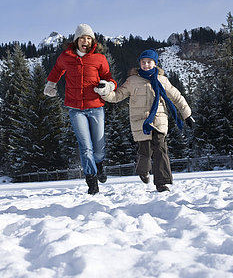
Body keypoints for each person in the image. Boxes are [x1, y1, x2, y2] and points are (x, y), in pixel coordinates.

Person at [99, 49, 194, 192]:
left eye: (149, 62)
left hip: (159, 120)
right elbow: (117, 96)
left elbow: (177, 97)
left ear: (155, 63)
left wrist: (187, 115)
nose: (146, 65)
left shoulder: (162, 80)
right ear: (139, 64)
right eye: (143, 62)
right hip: (140, 121)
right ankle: (143, 170)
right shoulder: (132, 81)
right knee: (145, 151)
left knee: (161, 149)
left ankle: (162, 182)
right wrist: (104, 92)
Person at [44, 23, 117, 195]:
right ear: (76, 40)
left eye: (89, 38)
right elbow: (56, 70)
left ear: (93, 41)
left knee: (99, 147)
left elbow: (110, 79)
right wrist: (50, 85)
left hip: (96, 107)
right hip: (75, 109)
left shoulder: (99, 59)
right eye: (82, 38)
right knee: (85, 147)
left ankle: (99, 164)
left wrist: (107, 87)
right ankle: (91, 180)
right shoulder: (66, 57)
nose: (86, 41)